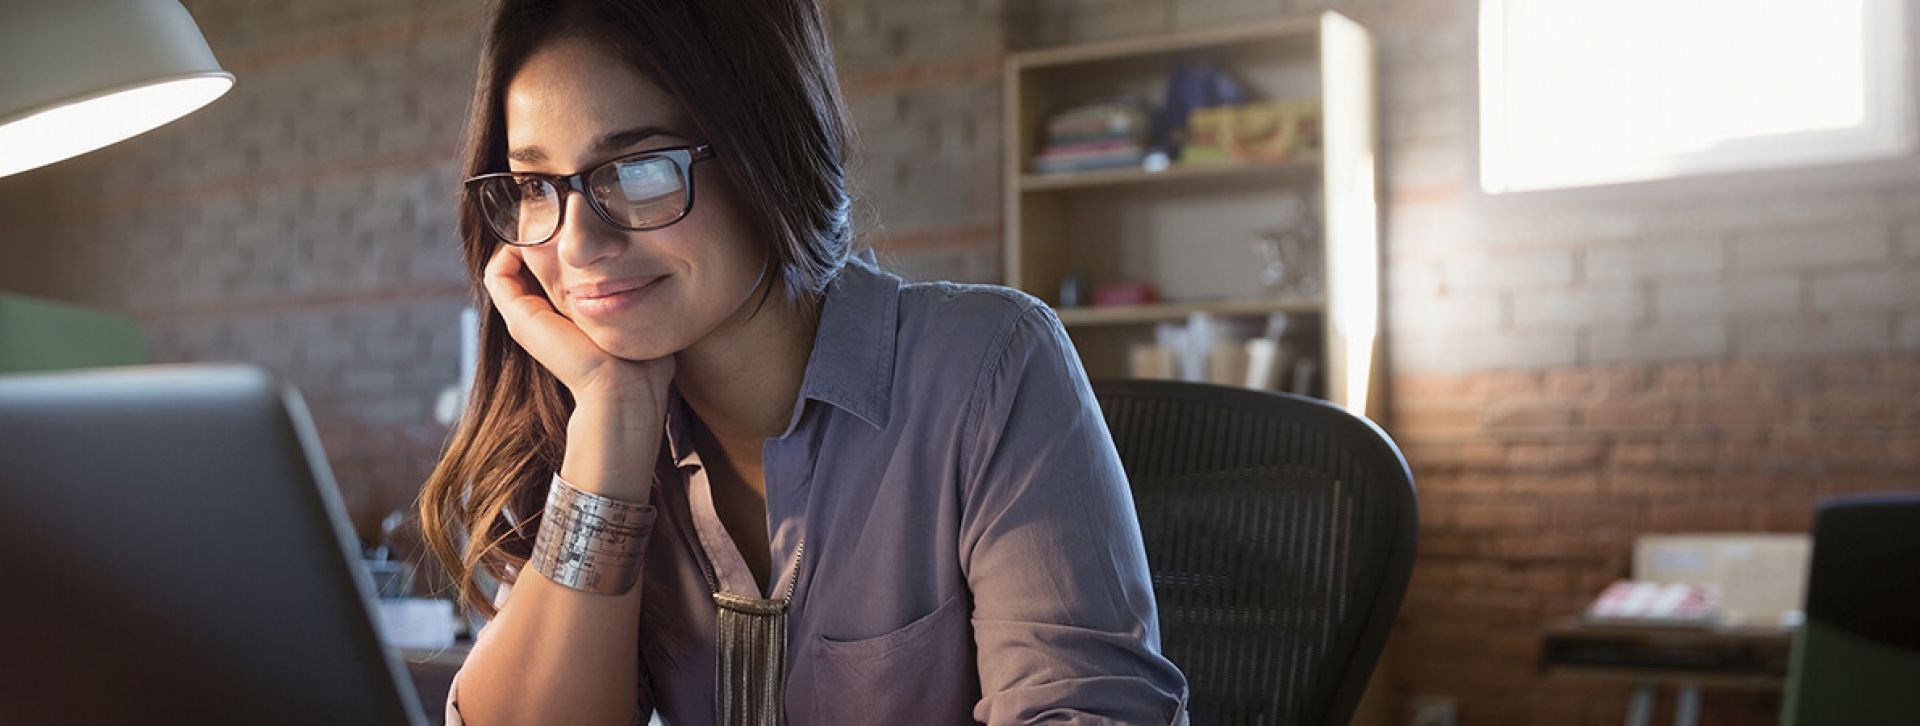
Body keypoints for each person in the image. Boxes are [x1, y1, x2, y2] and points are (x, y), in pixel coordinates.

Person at [416, 1, 1188, 723]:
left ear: (767, 151)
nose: (577, 245)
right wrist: (611, 428)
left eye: (641, 167)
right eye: (532, 185)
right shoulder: (588, 418)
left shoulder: (987, 366)